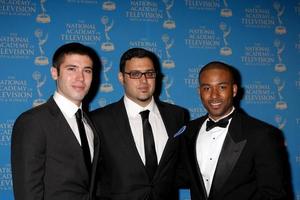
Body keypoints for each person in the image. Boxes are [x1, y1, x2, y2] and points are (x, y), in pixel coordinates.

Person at [91, 47, 189, 200]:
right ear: (121, 78)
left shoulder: (177, 115)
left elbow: (182, 166)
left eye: (149, 74)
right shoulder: (99, 120)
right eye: (135, 74)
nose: (144, 81)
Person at [181, 61, 287, 199]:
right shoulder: (188, 130)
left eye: (222, 87)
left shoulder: (262, 134)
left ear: (234, 90)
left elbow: (273, 195)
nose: (214, 95)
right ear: (199, 91)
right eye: (207, 88)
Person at [11, 42, 100, 200]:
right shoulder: (32, 122)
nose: (80, 78)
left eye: (87, 70)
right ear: (54, 72)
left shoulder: (89, 124)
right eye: (71, 69)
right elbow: (27, 192)